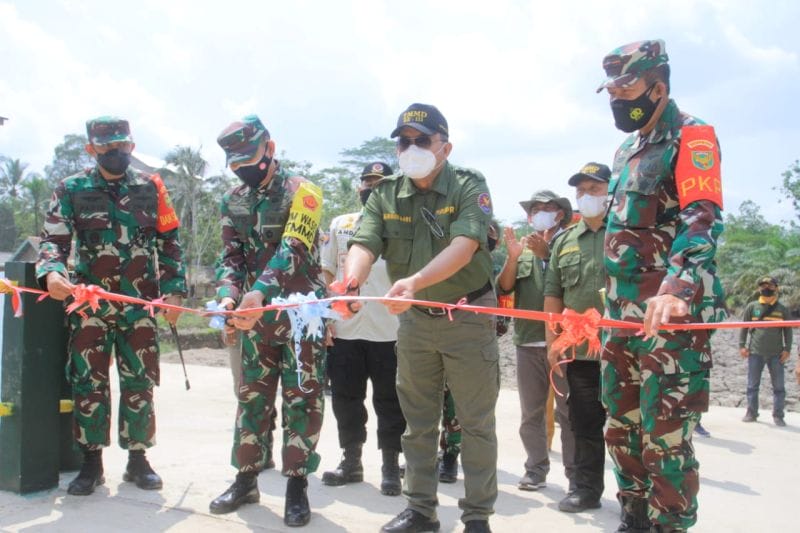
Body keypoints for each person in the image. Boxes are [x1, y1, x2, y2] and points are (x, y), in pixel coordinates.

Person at [344, 103, 499, 533]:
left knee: (475, 423)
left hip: (466, 314)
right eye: (403, 141)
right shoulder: (386, 192)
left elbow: (466, 244)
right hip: (414, 322)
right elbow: (364, 242)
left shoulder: (469, 185)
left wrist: (413, 281)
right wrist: (351, 283)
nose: (410, 148)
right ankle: (420, 510)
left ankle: (476, 516)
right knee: (418, 421)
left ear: (444, 147)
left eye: (421, 140)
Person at [597, 40, 727, 532]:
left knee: (666, 434)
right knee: (621, 426)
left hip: (670, 316)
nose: (617, 97)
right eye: (611, 87)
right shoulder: (627, 149)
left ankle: (669, 525)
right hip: (621, 316)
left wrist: (677, 286)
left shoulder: (692, 136)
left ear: (659, 86)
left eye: (626, 85)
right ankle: (632, 514)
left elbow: (702, 218)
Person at [36, 116, 187, 496]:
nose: (115, 153)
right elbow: (53, 241)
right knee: (89, 382)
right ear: (92, 149)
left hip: (139, 306)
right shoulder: (72, 189)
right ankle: (91, 463)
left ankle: (138, 460)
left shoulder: (153, 189)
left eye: (121, 146)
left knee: (139, 382)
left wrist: (174, 292)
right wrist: (52, 273)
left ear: (132, 146)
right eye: (106, 148)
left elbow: (170, 244)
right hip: (90, 307)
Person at [208, 115, 326, 527]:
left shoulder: (304, 192)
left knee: (302, 398)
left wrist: (258, 292)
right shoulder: (232, 200)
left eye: (249, 157)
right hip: (252, 322)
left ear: (270, 149)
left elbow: (293, 247)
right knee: (251, 399)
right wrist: (227, 296)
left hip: (299, 319)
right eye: (235, 161)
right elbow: (231, 258)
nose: (243, 167)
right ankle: (246, 479)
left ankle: (297, 486)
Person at [320, 161, 406, 496]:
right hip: (346, 327)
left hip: (390, 329)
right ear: (359, 188)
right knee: (345, 398)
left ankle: (390, 467)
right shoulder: (341, 224)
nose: (370, 186)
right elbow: (328, 270)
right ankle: (351, 461)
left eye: (379, 182)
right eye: (366, 181)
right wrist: (328, 316)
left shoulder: (401, 225)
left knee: (390, 400)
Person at [498, 190, 575, 493]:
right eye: (535, 208)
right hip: (528, 341)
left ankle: (575, 477)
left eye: (548, 207)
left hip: (565, 344)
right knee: (531, 412)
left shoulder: (571, 245)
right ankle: (535, 469)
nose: (540, 212)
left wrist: (549, 255)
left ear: (560, 214)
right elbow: (505, 287)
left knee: (569, 414)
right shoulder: (523, 248)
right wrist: (513, 257)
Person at [545, 162, 610, 513]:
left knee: (631, 427)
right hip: (581, 353)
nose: (586, 196)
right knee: (584, 423)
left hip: (625, 351)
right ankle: (585, 489)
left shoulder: (629, 234)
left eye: (595, 189)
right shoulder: (565, 241)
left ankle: (637, 497)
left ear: (611, 193)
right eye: (581, 191)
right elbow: (552, 295)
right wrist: (552, 344)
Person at [739, 276, 792, 427]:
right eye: (763, 286)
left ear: (776, 288)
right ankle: (751, 412)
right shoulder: (752, 307)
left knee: (779, 387)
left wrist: (787, 349)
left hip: (776, 354)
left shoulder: (782, 309)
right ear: (759, 289)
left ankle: (778, 415)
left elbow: (788, 331)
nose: (766, 288)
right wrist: (742, 345)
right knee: (752, 385)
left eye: (769, 285)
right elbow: (744, 327)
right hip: (755, 352)